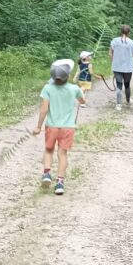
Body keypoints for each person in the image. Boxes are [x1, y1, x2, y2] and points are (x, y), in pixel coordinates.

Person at [32, 59, 86, 195]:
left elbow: (44, 109)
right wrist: (82, 91)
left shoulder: (47, 88)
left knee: (49, 150)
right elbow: (83, 101)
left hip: (52, 127)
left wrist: (38, 127)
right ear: (67, 76)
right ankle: (60, 183)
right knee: (62, 154)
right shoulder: (74, 89)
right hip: (68, 128)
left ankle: (46, 173)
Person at [109, 25, 133, 111]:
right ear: (129, 33)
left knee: (119, 85)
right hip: (128, 68)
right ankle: (128, 100)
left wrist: (114, 61)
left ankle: (119, 104)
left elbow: (110, 54)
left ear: (121, 32)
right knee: (127, 85)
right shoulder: (132, 43)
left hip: (117, 67)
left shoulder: (114, 41)